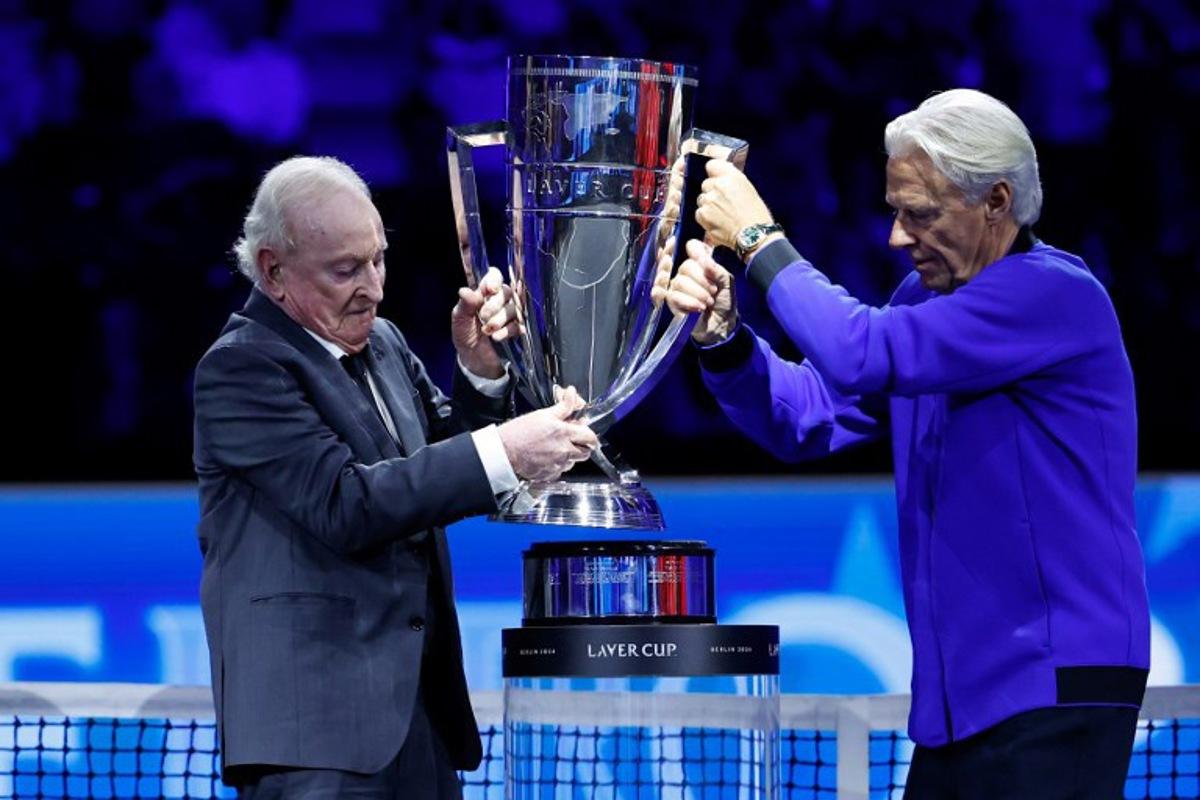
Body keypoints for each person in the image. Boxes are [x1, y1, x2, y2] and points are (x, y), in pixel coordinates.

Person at [664, 89, 1150, 799]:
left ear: (996, 201)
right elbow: (809, 418)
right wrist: (726, 340)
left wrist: (760, 239)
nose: (897, 236)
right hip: (959, 704)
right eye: (895, 211)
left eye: (920, 213)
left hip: (1054, 685)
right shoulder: (922, 305)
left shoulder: (1054, 295)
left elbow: (860, 351)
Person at [193, 156, 598, 799]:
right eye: (345, 270)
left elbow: (434, 468)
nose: (374, 287)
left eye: (378, 260)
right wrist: (506, 449)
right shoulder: (242, 369)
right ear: (273, 270)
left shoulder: (382, 343)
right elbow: (347, 504)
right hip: (315, 740)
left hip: (419, 723)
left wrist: (481, 374)